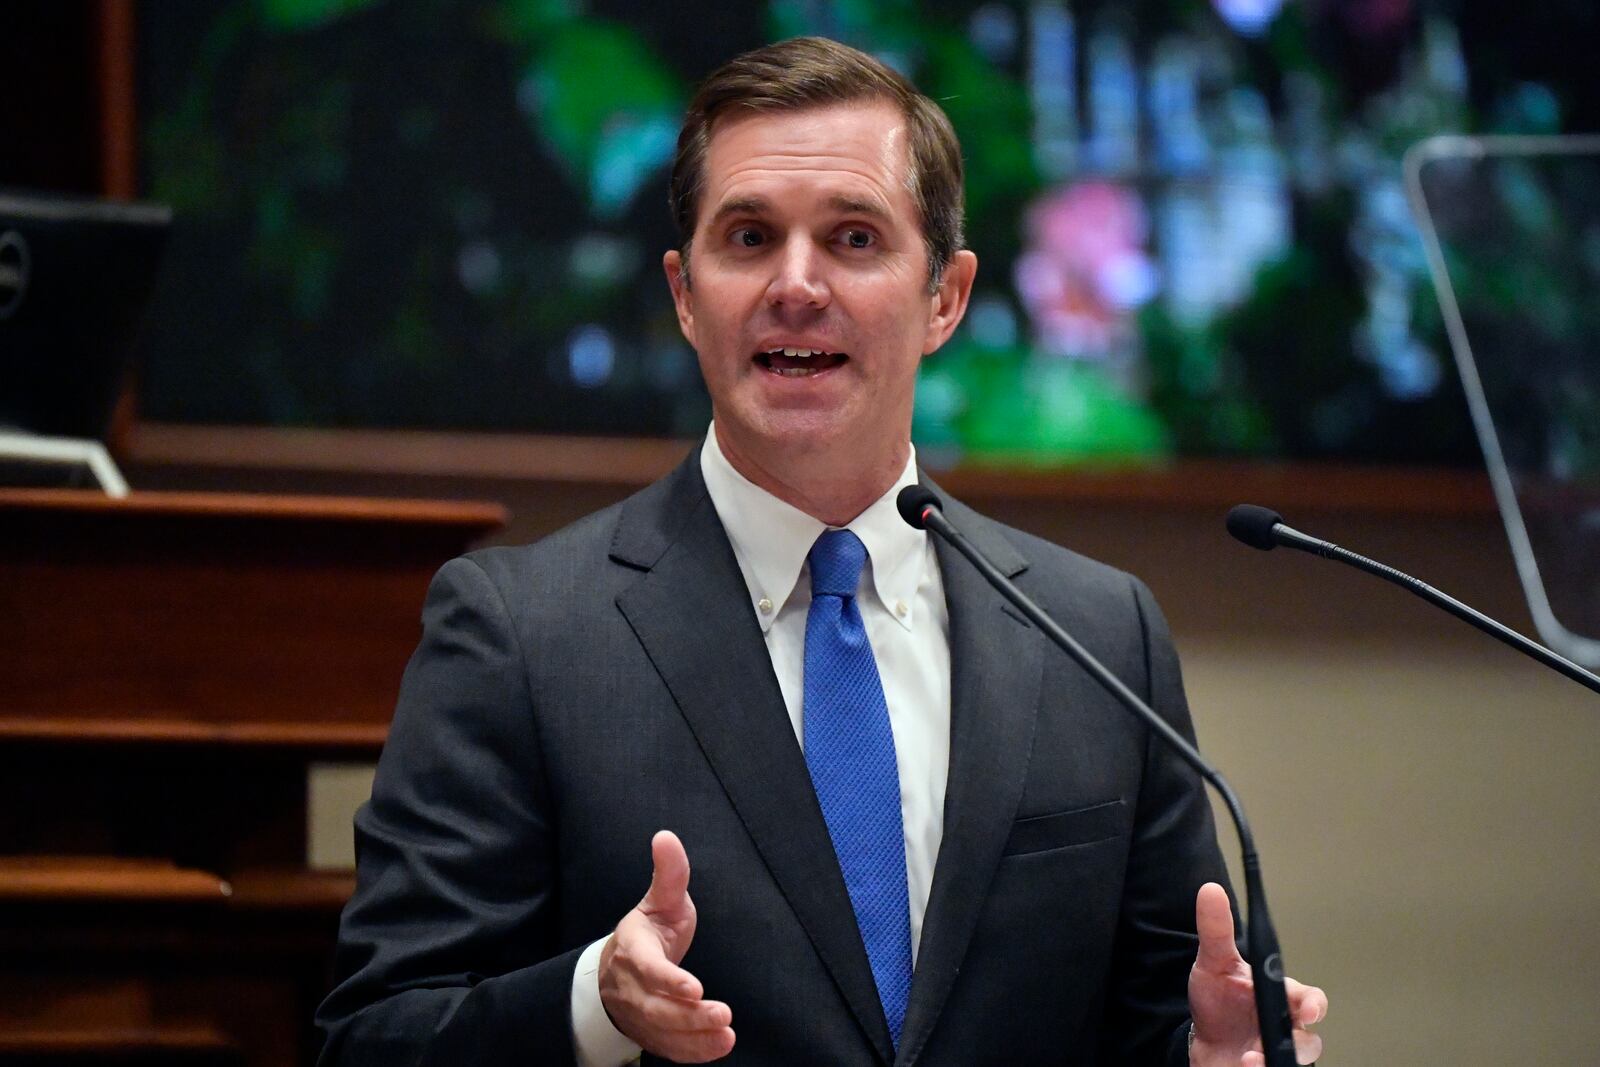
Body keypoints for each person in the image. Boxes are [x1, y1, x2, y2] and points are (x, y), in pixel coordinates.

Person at [317, 36, 1326, 1067]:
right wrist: (593, 1001)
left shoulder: (1099, 633)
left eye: (852, 238)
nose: (795, 285)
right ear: (683, 292)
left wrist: (1208, 1054)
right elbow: (372, 1036)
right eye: (749, 237)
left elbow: (1151, 1017)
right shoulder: (520, 633)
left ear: (946, 297)